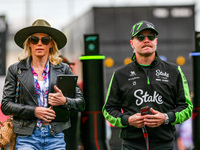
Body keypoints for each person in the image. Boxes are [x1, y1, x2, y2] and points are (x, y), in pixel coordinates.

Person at [102, 20, 193, 150]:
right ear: (132, 43)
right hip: (131, 145)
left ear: (156, 41)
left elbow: (186, 107)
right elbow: (108, 110)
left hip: (164, 144)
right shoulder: (120, 74)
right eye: (140, 37)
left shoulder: (174, 71)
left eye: (151, 37)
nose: (146, 40)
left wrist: (166, 118)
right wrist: (127, 120)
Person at [1, 19, 85, 150]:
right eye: (34, 39)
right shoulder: (15, 70)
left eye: (45, 40)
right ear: (29, 43)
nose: (39, 43)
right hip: (26, 137)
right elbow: (6, 105)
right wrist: (34, 111)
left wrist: (64, 101)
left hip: (55, 136)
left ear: (51, 44)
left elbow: (81, 103)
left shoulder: (64, 69)